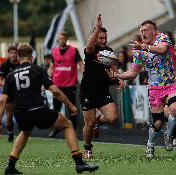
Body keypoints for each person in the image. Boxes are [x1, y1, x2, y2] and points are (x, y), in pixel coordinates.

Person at [0, 44, 98, 175]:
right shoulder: (37, 69)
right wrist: (70, 105)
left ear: (18, 57)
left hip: (20, 113)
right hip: (37, 110)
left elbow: (3, 100)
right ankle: (79, 163)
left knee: (25, 132)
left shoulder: (10, 76)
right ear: (31, 56)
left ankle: (10, 167)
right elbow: (55, 91)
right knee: (67, 124)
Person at [108, 20, 176, 159]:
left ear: (154, 31)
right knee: (158, 123)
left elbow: (162, 50)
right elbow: (133, 73)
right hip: (154, 89)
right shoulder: (139, 53)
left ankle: (169, 135)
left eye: (146, 30)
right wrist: (117, 76)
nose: (143, 33)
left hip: (170, 84)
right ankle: (150, 144)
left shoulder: (162, 38)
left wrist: (143, 46)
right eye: (141, 31)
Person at [80, 14, 124, 159]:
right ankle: (87, 147)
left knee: (112, 118)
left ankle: (98, 120)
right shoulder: (91, 50)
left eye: (105, 37)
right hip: (87, 92)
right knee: (89, 123)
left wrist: (120, 79)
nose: (104, 40)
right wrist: (97, 27)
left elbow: (114, 68)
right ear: (95, 37)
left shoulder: (109, 51)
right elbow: (89, 45)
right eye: (100, 38)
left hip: (102, 91)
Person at [47, 31, 84, 138]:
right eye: (60, 38)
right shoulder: (54, 52)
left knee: (72, 107)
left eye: (63, 38)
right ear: (58, 40)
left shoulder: (73, 50)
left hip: (70, 84)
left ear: (66, 39)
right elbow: (52, 67)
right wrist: (47, 79)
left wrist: (85, 76)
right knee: (56, 108)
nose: (61, 40)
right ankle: (56, 129)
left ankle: (73, 130)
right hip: (57, 84)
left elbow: (81, 64)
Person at [0, 46, 20, 142]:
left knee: (21, 112)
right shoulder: (4, 65)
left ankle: (23, 131)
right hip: (9, 93)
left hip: (20, 92)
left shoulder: (21, 64)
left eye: (15, 52)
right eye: (11, 53)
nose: (13, 54)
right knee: (9, 115)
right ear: (8, 54)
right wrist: (5, 84)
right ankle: (10, 132)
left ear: (17, 54)